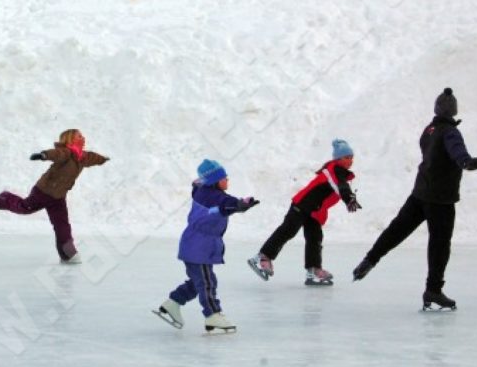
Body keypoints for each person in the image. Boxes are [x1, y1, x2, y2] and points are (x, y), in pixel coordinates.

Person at [352, 88, 477, 310]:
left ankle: (370, 259)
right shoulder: (450, 132)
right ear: (453, 111)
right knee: (439, 246)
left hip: (420, 193)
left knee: (396, 230)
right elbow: (456, 150)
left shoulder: (429, 130)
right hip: (440, 200)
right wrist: (466, 162)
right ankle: (433, 290)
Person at [153, 159, 259, 333]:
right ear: (215, 181)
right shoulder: (213, 197)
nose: (227, 180)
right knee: (207, 282)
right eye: (224, 178)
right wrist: (241, 205)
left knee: (200, 282)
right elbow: (226, 203)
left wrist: (240, 204)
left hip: (196, 245)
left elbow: (201, 188)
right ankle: (213, 314)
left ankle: (172, 303)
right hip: (198, 247)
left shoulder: (202, 191)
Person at [247, 139, 361, 285]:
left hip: (314, 211)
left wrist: (349, 197)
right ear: (338, 159)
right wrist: (348, 198)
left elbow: (340, 186)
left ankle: (313, 270)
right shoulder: (333, 169)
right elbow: (341, 186)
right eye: (346, 157)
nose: (350, 161)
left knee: (315, 237)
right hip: (302, 205)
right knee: (288, 230)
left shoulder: (340, 172)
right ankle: (262, 257)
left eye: (351, 158)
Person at [0, 129, 108, 264]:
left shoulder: (83, 157)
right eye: (79, 136)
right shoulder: (66, 153)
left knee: (62, 225)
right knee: (25, 207)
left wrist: (106, 159)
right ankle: (2, 199)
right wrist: (43, 155)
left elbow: (94, 158)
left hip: (58, 197)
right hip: (43, 191)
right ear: (70, 139)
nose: (83, 138)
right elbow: (56, 154)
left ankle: (68, 254)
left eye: (82, 136)